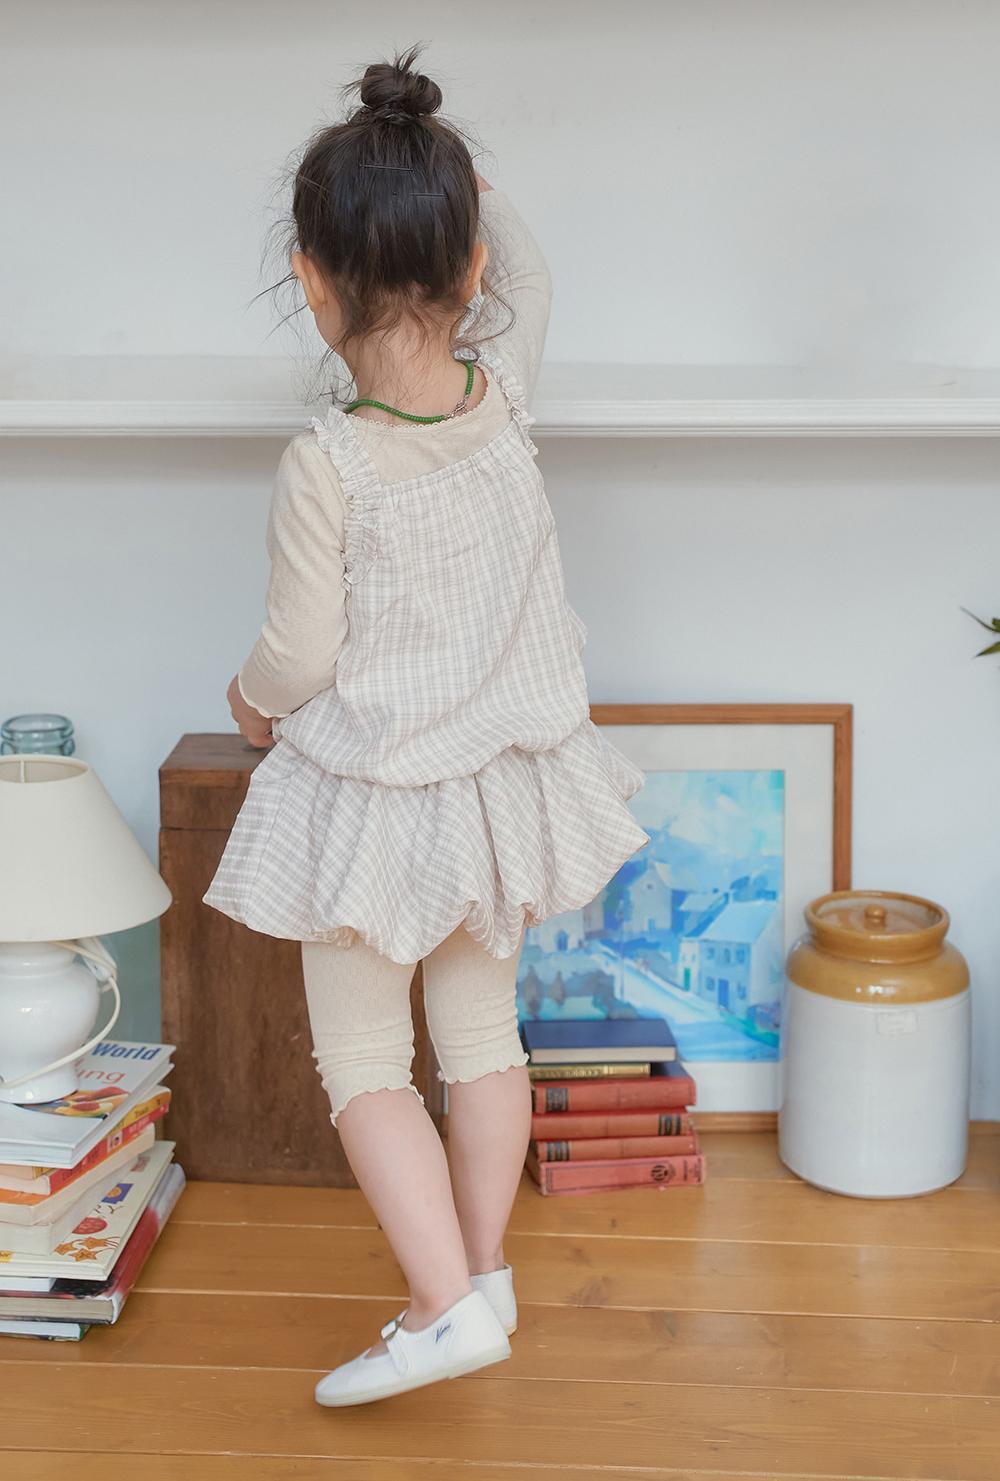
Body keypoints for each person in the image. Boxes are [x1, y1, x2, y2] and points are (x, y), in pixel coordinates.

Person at [203, 45, 649, 1407]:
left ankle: (442, 1305)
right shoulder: (505, 398)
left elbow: (299, 654)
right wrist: (471, 196)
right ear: (471, 269)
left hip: (378, 807)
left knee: (363, 1062)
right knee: (481, 1040)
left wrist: (250, 701)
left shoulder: (329, 464)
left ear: (308, 280)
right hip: (497, 797)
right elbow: (536, 280)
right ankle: (484, 1272)